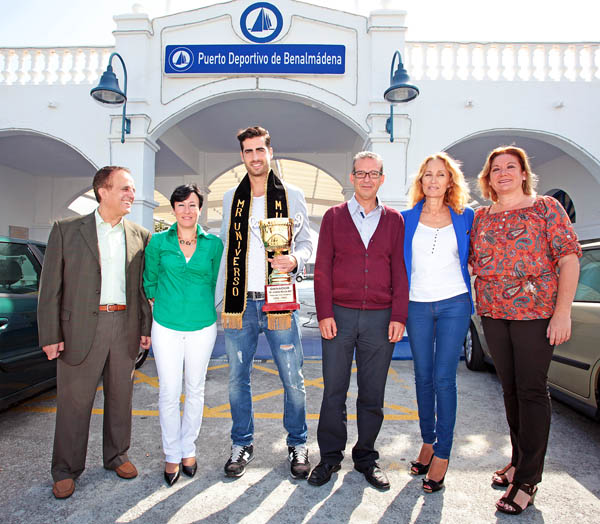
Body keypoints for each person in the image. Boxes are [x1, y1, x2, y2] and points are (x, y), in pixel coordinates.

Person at [470, 146, 581, 515]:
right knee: (510, 390)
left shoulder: (546, 207)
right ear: (488, 178)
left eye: (510, 167)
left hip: (536, 314)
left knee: (532, 391)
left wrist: (562, 312)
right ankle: (518, 461)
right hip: (494, 314)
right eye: (495, 168)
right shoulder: (481, 217)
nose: (502, 173)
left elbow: (568, 258)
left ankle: (528, 480)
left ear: (523, 173)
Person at [38, 166, 152, 499]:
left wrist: (144, 328)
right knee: (74, 403)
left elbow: (142, 290)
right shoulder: (66, 230)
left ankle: (117, 456)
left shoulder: (140, 236)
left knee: (121, 398)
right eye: (125, 189)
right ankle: (65, 469)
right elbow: (50, 290)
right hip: (79, 329)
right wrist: (50, 335)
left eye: (132, 189)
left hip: (124, 327)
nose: (131, 194)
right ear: (102, 191)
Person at [216, 126, 313, 479]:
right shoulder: (230, 198)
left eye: (260, 150)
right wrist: (219, 299)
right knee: (237, 379)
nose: (255, 157)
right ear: (242, 156)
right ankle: (242, 443)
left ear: (270, 151)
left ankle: (298, 443)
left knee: (293, 378)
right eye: (248, 151)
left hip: (279, 302)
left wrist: (296, 262)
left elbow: (306, 243)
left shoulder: (292, 194)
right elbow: (228, 250)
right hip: (239, 303)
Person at [308, 151, 408, 491]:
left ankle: (366, 456)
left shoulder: (394, 220)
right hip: (339, 315)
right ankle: (330, 457)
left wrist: (398, 315)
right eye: (361, 173)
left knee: (372, 394)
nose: (367, 179)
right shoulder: (334, 217)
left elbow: (399, 269)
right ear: (351, 177)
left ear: (382, 178)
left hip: (380, 320)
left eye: (373, 173)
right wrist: (323, 313)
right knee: (334, 391)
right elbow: (321, 268)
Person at [401, 152, 474, 493]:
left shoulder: (466, 217)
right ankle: (428, 441)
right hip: (416, 305)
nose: (433, 180)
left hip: (454, 305)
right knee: (423, 377)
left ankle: (443, 454)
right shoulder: (405, 220)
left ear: (450, 181)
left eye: (440, 174)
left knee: (445, 378)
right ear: (421, 181)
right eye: (427, 174)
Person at [143, 184, 223, 486]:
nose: (186, 211)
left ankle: (189, 448)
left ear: (199, 208)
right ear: (173, 209)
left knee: (195, 388)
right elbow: (150, 280)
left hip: (202, 326)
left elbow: (215, 280)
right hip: (165, 325)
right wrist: (159, 302)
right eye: (180, 205)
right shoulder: (158, 242)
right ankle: (171, 453)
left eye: (192, 205)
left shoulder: (213, 244)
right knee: (168, 391)